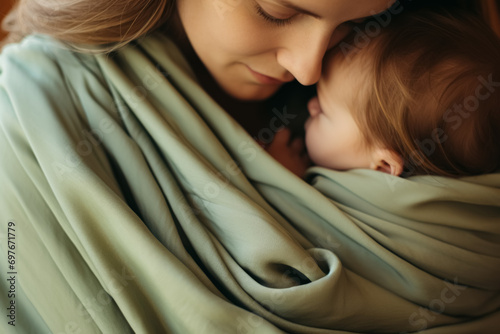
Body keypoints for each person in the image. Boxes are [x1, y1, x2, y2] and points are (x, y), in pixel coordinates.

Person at [1, 1, 500, 333]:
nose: (308, 68)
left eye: (354, 24)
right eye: (277, 10)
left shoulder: (406, 89)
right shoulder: (28, 114)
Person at [267, 8, 500, 179]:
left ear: (384, 166)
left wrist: (281, 180)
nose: (311, 106)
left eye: (325, 112)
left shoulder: (357, 203)